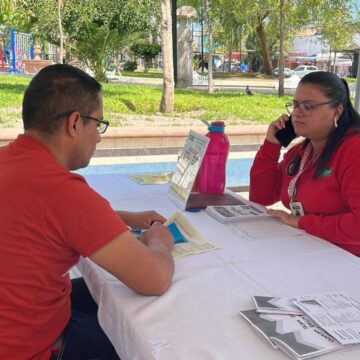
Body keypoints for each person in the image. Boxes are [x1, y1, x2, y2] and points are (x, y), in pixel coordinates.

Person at [0, 64, 175, 360]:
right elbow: (154, 279)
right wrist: (159, 241)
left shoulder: (10, 160)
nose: (99, 137)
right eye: (98, 124)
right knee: (151, 335)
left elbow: (42, 218)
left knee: (105, 295)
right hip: (30, 348)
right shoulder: (62, 190)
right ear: (74, 123)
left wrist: (123, 218)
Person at [249, 71, 360, 256]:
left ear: (337, 111)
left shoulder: (353, 150)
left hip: (348, 265)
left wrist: (300, 222)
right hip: (310, 252)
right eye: (295, 105)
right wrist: (271, 145)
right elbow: (261, 197)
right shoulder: (301, 152)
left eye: (308, 106)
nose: (297, 113)